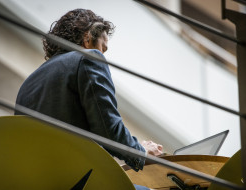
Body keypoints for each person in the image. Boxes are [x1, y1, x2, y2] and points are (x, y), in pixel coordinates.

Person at [15, 9, 163, 189]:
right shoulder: (88, 58)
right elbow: (107, 129)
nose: (103, 54)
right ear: (87, 38)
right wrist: (142, 152)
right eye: (103, 47)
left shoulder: (27, 84)